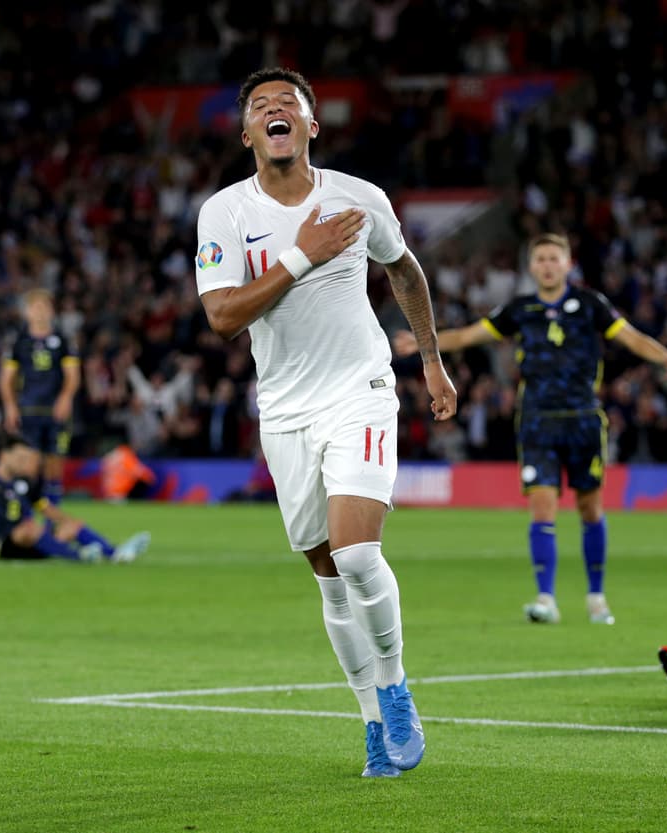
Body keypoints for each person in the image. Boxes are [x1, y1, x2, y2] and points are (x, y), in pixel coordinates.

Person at [193, 67, 457, 778]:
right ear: (247, 132)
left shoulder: (358, 198)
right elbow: (222, 316)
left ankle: (396, 688)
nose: (274, 111)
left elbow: (404, 270)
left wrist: (430, 358)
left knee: (358, 554)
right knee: (328, 577)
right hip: (283, 408)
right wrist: (301, 255)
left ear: (312, 126)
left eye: (289, 104)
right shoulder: (224, 213)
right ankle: (372, 721)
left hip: (360, 390)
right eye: (260, 106)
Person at [395, 233, 667, 625]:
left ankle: (596, 597)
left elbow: (629, 336)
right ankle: (546, 598)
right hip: (537, 422)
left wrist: (665, 357)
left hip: (583, 419)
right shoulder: (521, 308)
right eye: (540, 259)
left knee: (589, 508)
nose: (547, 265)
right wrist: (425, 343)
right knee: (542, 505)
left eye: (554, 258)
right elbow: (468, 334)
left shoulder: (590, 305)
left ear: (567, 264)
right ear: (531, 267)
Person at [0, 432, 149, 563]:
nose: (23, 462)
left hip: (32, 539)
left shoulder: (25, 484)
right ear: (3, 456)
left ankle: (115, 554)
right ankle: (80, 557)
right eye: (19, 458)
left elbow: (47, 510)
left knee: (69, 526)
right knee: (27, 527)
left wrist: (69, 524)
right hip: (3, 546)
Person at [0, 289, 80, 505]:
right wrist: (10, 406)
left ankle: (52, 522)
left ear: (52, 311)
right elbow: (6, 379)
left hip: (54, 409)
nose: (40, 312)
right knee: (28, 464)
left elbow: (72, 376)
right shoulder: (18, 341)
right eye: (36, 308)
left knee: (54, 465)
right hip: (28, 409)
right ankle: (24, 518)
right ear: (27, 313)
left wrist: (65, 398)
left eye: (45, 307)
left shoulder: (63, 340)